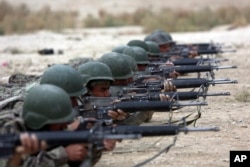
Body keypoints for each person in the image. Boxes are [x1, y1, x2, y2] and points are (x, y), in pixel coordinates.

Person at [0, 84, 81, 167]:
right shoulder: (7, 128)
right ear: (42, 122)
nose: (64, 126)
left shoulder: (33, 123)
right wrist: (64, 154)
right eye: (60, 122)